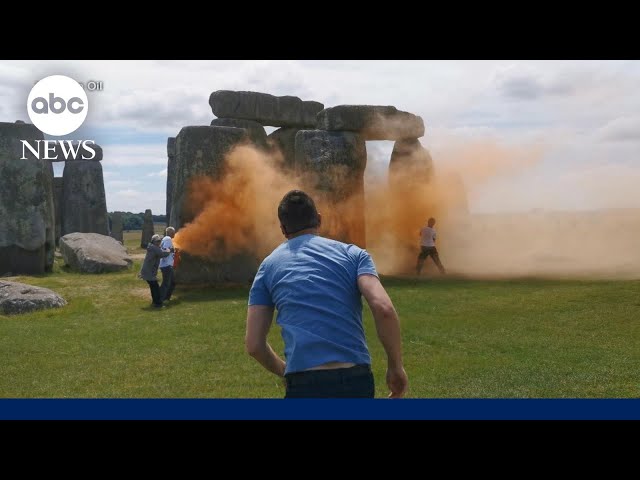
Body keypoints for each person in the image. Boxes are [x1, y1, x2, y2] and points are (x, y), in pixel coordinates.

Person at [245, 189, 408, 398]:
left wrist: (284, 371)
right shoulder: (354, 255)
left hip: (304, 382)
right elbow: (383, 308)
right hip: (355, 379)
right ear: (319, 219)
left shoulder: (268, 267)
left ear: (283, 228)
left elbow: (254, 345)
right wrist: (395, 366)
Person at [139, 234, 172, 308]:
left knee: (153, 287)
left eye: (159, 241)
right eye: (157, 241)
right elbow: (163, 254)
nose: (159, 242)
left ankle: (155, 302)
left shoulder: (152, 247)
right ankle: (158, 304)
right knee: (155, 287)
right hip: (149, 271)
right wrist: (169, 250)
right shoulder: (154, 248)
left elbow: (159, 251)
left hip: (148, 271)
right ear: (153, 241)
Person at [159, 227, 177, 302]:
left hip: (167, 265)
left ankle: (166, 298)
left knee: (171, 282)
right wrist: (172, 250)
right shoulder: (168, 239)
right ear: (170, 233)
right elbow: (164, 250)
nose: (175, 234)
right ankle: (160, 299)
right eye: (173, 233)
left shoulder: (165, 239)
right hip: (167, 265)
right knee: (166, 283)